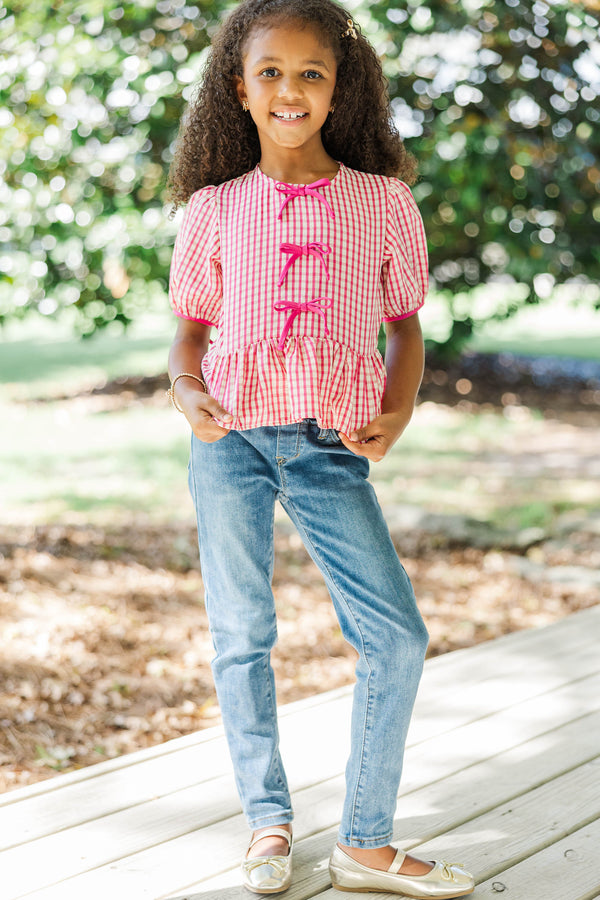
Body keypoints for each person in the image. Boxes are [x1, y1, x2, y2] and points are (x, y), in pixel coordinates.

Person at [166, 0, 474, 896]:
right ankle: (267, 823)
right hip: (227, 441)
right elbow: (190, 335)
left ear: (342, 91)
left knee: (396, 637)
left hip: (327, 444)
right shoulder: (215, 209)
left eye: (311, 74)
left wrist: (399, 406)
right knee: (242, 635)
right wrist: (190, 396)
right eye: (271, 72)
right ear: (240, 87)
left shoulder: (382, 201)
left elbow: (405, 325)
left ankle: (365, 842)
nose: (290, 90)